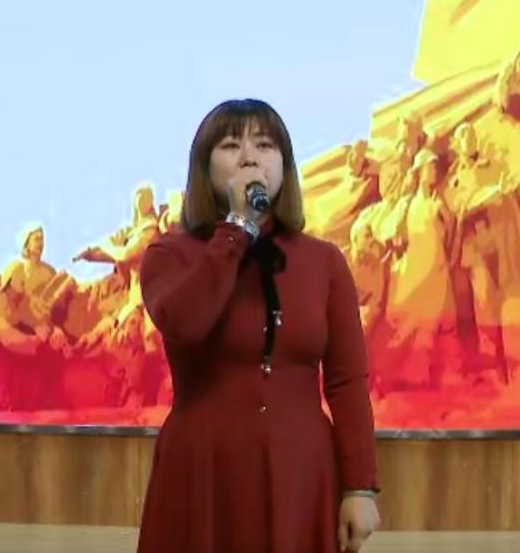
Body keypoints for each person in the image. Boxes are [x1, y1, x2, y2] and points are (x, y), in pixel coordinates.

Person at [136, 98, 382, 553]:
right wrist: (236, 231)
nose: (250, 158)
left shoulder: (323, 261)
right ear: (204, 168)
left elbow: (347, 381)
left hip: (301, 472)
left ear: (284, 167)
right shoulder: (170, 256)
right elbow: (186, 324)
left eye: (265, 146)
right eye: (231, 146)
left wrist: (360, 487)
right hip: (203, 470)